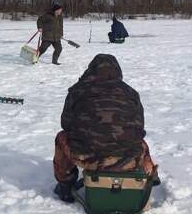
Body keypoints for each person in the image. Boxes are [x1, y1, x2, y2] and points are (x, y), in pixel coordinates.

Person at [52, 54, 159, 203]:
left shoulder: (78, 91)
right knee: (140, 141)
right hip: (128, 157)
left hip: (89, 157)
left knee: (61, 137)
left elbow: (66, 124)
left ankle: (65, 185)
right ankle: (149, 174)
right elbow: (139, 126)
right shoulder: (131, 93)